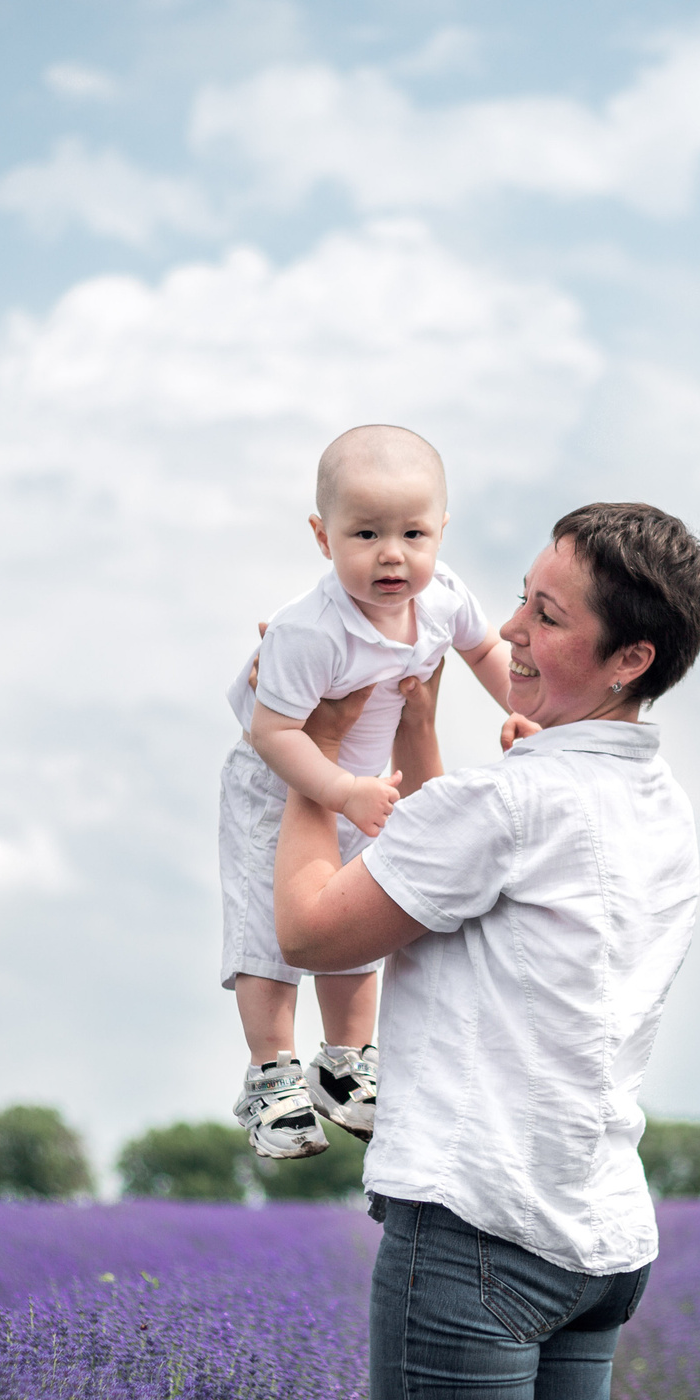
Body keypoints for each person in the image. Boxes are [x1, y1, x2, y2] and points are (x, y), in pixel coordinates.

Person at [274, 502, 700, 1400]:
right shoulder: (657, 806)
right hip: (593, 1238)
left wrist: (305, 761)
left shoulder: (512, 804)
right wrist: (420, 726)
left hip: (476, 1235)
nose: (508, 629)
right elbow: (453, 861)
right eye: (521, 596)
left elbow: (311, 930)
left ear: (630, 659)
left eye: (547, 615)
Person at [219, 425, 510, 1160]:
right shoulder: (311, 630)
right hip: (279, 781)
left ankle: (346, 1060)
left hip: (363, 781)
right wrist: (340, 788)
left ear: (442, 529)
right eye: (366, 533)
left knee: (352, 908)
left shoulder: (443, 598)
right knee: (268, 925)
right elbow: (274, 732)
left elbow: (485, 650)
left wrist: (524, 710)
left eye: (413, 533)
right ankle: (271, 1071)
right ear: (323, 537)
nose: (392, 554)